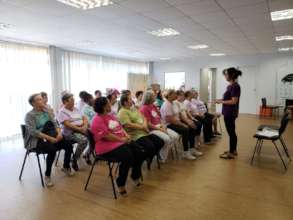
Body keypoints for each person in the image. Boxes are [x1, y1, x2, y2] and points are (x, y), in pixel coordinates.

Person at [91, 97, 145, 194]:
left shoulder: (111, 116)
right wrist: (122, 139)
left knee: (139, 151)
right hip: (106, 146)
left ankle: (135, 175)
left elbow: (120, 127)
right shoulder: (97, 120)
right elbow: (106, 136)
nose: (111, 104)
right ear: (104, 106)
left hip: (119, 141)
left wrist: (126, 135)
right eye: (109, 103)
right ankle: (120, 183)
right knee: (128, 156)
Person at [25, 93, 74, 187]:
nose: (42, 101)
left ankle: (66, 166)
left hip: (52, 135)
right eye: (39, 99)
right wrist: (50, 138)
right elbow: (34, 132)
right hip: (38, 140)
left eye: (42, 99)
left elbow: (55, 124)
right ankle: (47, 175)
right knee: (52, 150)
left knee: (68, 144)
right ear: (33, 103)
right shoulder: (30, 115)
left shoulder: (46, 111)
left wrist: (59, 134)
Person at [118, 94, 164, 168]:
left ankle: (147, 158)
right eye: (130, 99)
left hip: (144, 132)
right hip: (135, 135)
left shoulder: (133, 109)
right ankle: (138, 161)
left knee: (160, 142)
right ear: (125, 102)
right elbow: (128, 125)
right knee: (151, 147)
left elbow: (144, 118)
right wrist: (142, 127)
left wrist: (145, 126)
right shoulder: (122, 112)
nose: (132, 100)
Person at [140, 90, 179, 162]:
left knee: (175, 136)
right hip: (152, 129)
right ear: (149, 97)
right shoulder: (144, 108)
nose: (155, 97)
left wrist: (163, 126)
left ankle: (161, 153)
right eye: (153, 96)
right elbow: (148, 124)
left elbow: (159, 117)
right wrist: (160, 129)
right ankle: (160, 156)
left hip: (160, 126)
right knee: (167, 139)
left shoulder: (153, 106)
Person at [160, 90, 197, 160]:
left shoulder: (173, 103)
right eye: (174, 94)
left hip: (176, 122)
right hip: (168, 124)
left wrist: (188, 122)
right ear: (169, 95)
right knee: (185, 130)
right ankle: (185, 152)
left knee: (192, 126)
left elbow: (180, 114)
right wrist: (183, 124)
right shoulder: (166, 105)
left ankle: (192, 148)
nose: (176, 95)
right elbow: (171, 120)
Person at [58, 92, 90, 170]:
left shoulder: (76, 109)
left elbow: (84, 118)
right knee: (84, 140)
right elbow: (67, 125)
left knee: (95, 136)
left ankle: (87, 154)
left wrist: (85, 126)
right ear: (65, 102)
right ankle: (74, 159)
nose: (74, 101)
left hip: (82, 128)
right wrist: (80, 129)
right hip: (70, 132)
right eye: (71, 100)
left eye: (73, 99)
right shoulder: (62, 112)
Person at [215, 67, 242, 159]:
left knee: (231, 132)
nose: (225, 76)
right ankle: (233, 150)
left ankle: (231, 152)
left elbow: (234, 101)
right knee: (231, 132)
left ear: (232, 75)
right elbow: (228, 98)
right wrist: (220, 100)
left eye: (226, 74)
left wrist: (222, 102)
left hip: (230, 113)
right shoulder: (230, 86)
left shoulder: (235, 86)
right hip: (228, 112)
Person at [174, 90, 203, 156]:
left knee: (195, 125)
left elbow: (186, 112)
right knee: (188, 129)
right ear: (177, 96)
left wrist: (191, 119)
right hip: (179, 121)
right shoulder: (176, 103)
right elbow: (180, 116)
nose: (183, 96)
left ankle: (192, 148)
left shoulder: (182, 103)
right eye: (181, 95)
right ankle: (186, 151)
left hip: (185, 119)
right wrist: (188, 122)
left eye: (183, 95)